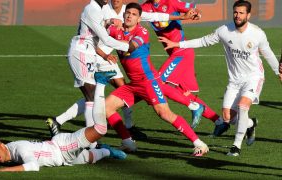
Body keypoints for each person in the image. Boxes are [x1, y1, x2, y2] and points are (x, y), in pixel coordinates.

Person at [47, 0, 197, 141]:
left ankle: (126, 130)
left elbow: (154, 15)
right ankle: (113, 132)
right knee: (94, 96)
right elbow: (100, 36)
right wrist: (122, 46)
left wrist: (181, 17)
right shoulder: (103, 10)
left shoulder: (127, 12)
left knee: (100, 94)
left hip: (109, 57)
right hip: (99, 54)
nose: (115, 0)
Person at [158, 0, 282, 156]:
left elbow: (268, 54)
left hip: (253, 77)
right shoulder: (224, 30)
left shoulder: (257, 33)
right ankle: (250, 125)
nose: (238, 15)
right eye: (235, 12)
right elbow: (203, 41)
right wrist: (177, 44)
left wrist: (279, 72)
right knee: (227, 117)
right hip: (234, 80)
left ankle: (236, 146)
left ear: (248, 15)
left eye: (241, 13)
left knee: (243, 107)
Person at [104, 2, 209, 156]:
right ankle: (128, 143)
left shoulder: (142, 32)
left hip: (147, 82)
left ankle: (199, 143)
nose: (129, 16)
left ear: (139, 19)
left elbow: (130, 47)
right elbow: (99, 27)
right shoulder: (117, 30)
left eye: (134, 14)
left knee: (164, 113)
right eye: (128, 13)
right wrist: (109, 22)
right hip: (134, 85)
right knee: (106, 108)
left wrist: (111, 35)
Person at [45, 0, 130, 148]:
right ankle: (92, 142)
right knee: (92, 96)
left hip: (88, 53)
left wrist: (109, 21)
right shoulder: (92, 9)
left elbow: (97, 29)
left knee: (93, 95)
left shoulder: (99, 9)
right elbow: (106, 39)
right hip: (81, 52)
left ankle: (57, 121)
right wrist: (129, 46)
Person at [141, 0, 225, 132]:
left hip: (182, 52)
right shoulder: (145, 7)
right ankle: (220, 122)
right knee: (183, 93)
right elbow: (133, 17)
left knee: (159, 83)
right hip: (175, 54)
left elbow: (194, 9)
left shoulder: (171, 2)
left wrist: (198, 14)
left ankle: (194, 107)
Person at [0, 136, 126, 172]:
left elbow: (34, 166)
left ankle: (107, 150)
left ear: (2, 145)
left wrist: (7, 170)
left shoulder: (20, 149)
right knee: (88, 157)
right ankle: (100, 147)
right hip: (59, 156)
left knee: (89, 157)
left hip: (60, 150)